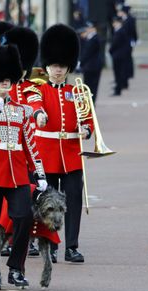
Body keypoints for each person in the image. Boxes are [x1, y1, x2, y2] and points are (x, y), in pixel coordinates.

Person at [0, 44, 47, 290]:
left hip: (17, 174)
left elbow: (29, 143)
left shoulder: (20, 110)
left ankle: (16, 268)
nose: (5, 83)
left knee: (23, 218)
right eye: (0, 80)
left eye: (8, 79)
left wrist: (39, 172)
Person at [29, 24, 94, 263]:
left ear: (68, 67)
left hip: (71, 154)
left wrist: (87, 129)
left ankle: (72, 246)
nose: (58, 70)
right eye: (54, 66)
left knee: (74, 199)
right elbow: (35, 106)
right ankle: (51, 245)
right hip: (46, 154)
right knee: (47, 202)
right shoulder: (39, 90)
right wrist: (39, 116)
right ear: (47, 67)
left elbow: (87, 117)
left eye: (62, 66)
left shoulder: (76, 92)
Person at [78, 22, 103, 103]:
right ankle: (90, 103)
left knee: (91, 87)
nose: (87, 30)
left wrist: (80, 63)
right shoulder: (91, 38)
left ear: (93, 29)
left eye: (89, 28)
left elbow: (87, 53)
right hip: (91, 66)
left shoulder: (94, 38)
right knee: (89, 87)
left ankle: (91, 103)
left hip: (92, 67)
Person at [109, 16, 131, 96]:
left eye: (115, 23)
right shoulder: (119, 31)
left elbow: (115, 44)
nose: (113, 24)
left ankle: (118, 89)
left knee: (118, 73)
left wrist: (110, 51)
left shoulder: (120, 32)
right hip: (119, 55)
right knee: (118, 72)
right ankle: (118, 87)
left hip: (118, 56)